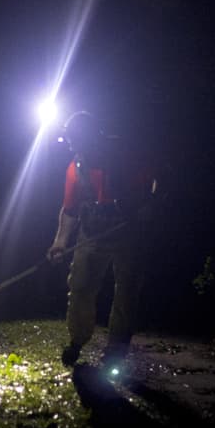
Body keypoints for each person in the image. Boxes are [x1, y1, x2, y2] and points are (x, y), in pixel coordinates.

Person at [47, 111, 162, 368]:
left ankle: (116, 351)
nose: (72, 146)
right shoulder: (76, 167)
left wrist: (150, 204)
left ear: (93, 136)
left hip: (129, 233)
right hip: (93, 233)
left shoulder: (128, 155)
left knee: (127, 293)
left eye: (75, 140)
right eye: (70, 141)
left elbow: (157, 179)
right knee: (80, 287)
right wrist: (60, 242)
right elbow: (70, 209)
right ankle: (77, 340)